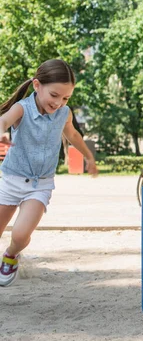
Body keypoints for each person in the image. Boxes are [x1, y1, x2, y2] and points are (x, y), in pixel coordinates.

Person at [0, 59, 98, 287]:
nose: (59, 102)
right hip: (12, 180)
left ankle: (11, 256)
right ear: (37, 85)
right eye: (54, 95)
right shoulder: (22, 108)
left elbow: (72, 135)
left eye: (65, 98)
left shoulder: (64, 113)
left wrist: (89, 157)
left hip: (40, 184)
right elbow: (4, 120)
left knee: (20, 235)